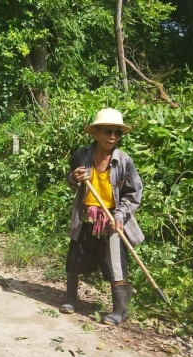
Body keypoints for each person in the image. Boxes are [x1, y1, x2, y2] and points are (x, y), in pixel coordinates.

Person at [61, 107, 143, 325]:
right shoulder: (81, 155)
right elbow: (71, 183)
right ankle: (71, 299)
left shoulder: (124, 161)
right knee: (75, 258)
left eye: (117, 132)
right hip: (85, 215)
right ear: (96, 133)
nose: (113, 136)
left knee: (115, 263)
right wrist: (74, 177)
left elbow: (134, 193)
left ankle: (119, 311)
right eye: (108, 131)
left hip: (112, 219)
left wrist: (120, 215)